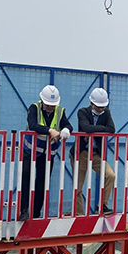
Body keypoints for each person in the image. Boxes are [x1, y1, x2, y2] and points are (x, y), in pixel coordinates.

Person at [19, 85, 73, 219]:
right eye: (48, 104)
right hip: (30, 151)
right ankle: (23, 211)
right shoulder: (34, 108)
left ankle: (36, 214)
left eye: (52, 105)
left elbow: (68, 125)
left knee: (42, 184)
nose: (50, 107)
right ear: (42, 100)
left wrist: (66, 130)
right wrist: (50, 130)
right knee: (26, 180)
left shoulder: (60, 111)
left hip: (48, 154)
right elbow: (32, 125)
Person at [70, 87, 116, 215]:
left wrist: (93, 131)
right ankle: (79, 215)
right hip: (81, 153)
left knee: (110, 175)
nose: (101, 109)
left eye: (102, 107)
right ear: (91, 103)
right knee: (78, 186)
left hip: (96, 153)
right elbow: (86, 127)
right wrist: (102, 128)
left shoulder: (106, 113)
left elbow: (112, 129)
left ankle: (102, 206)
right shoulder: (82, 112)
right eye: (98, 107)